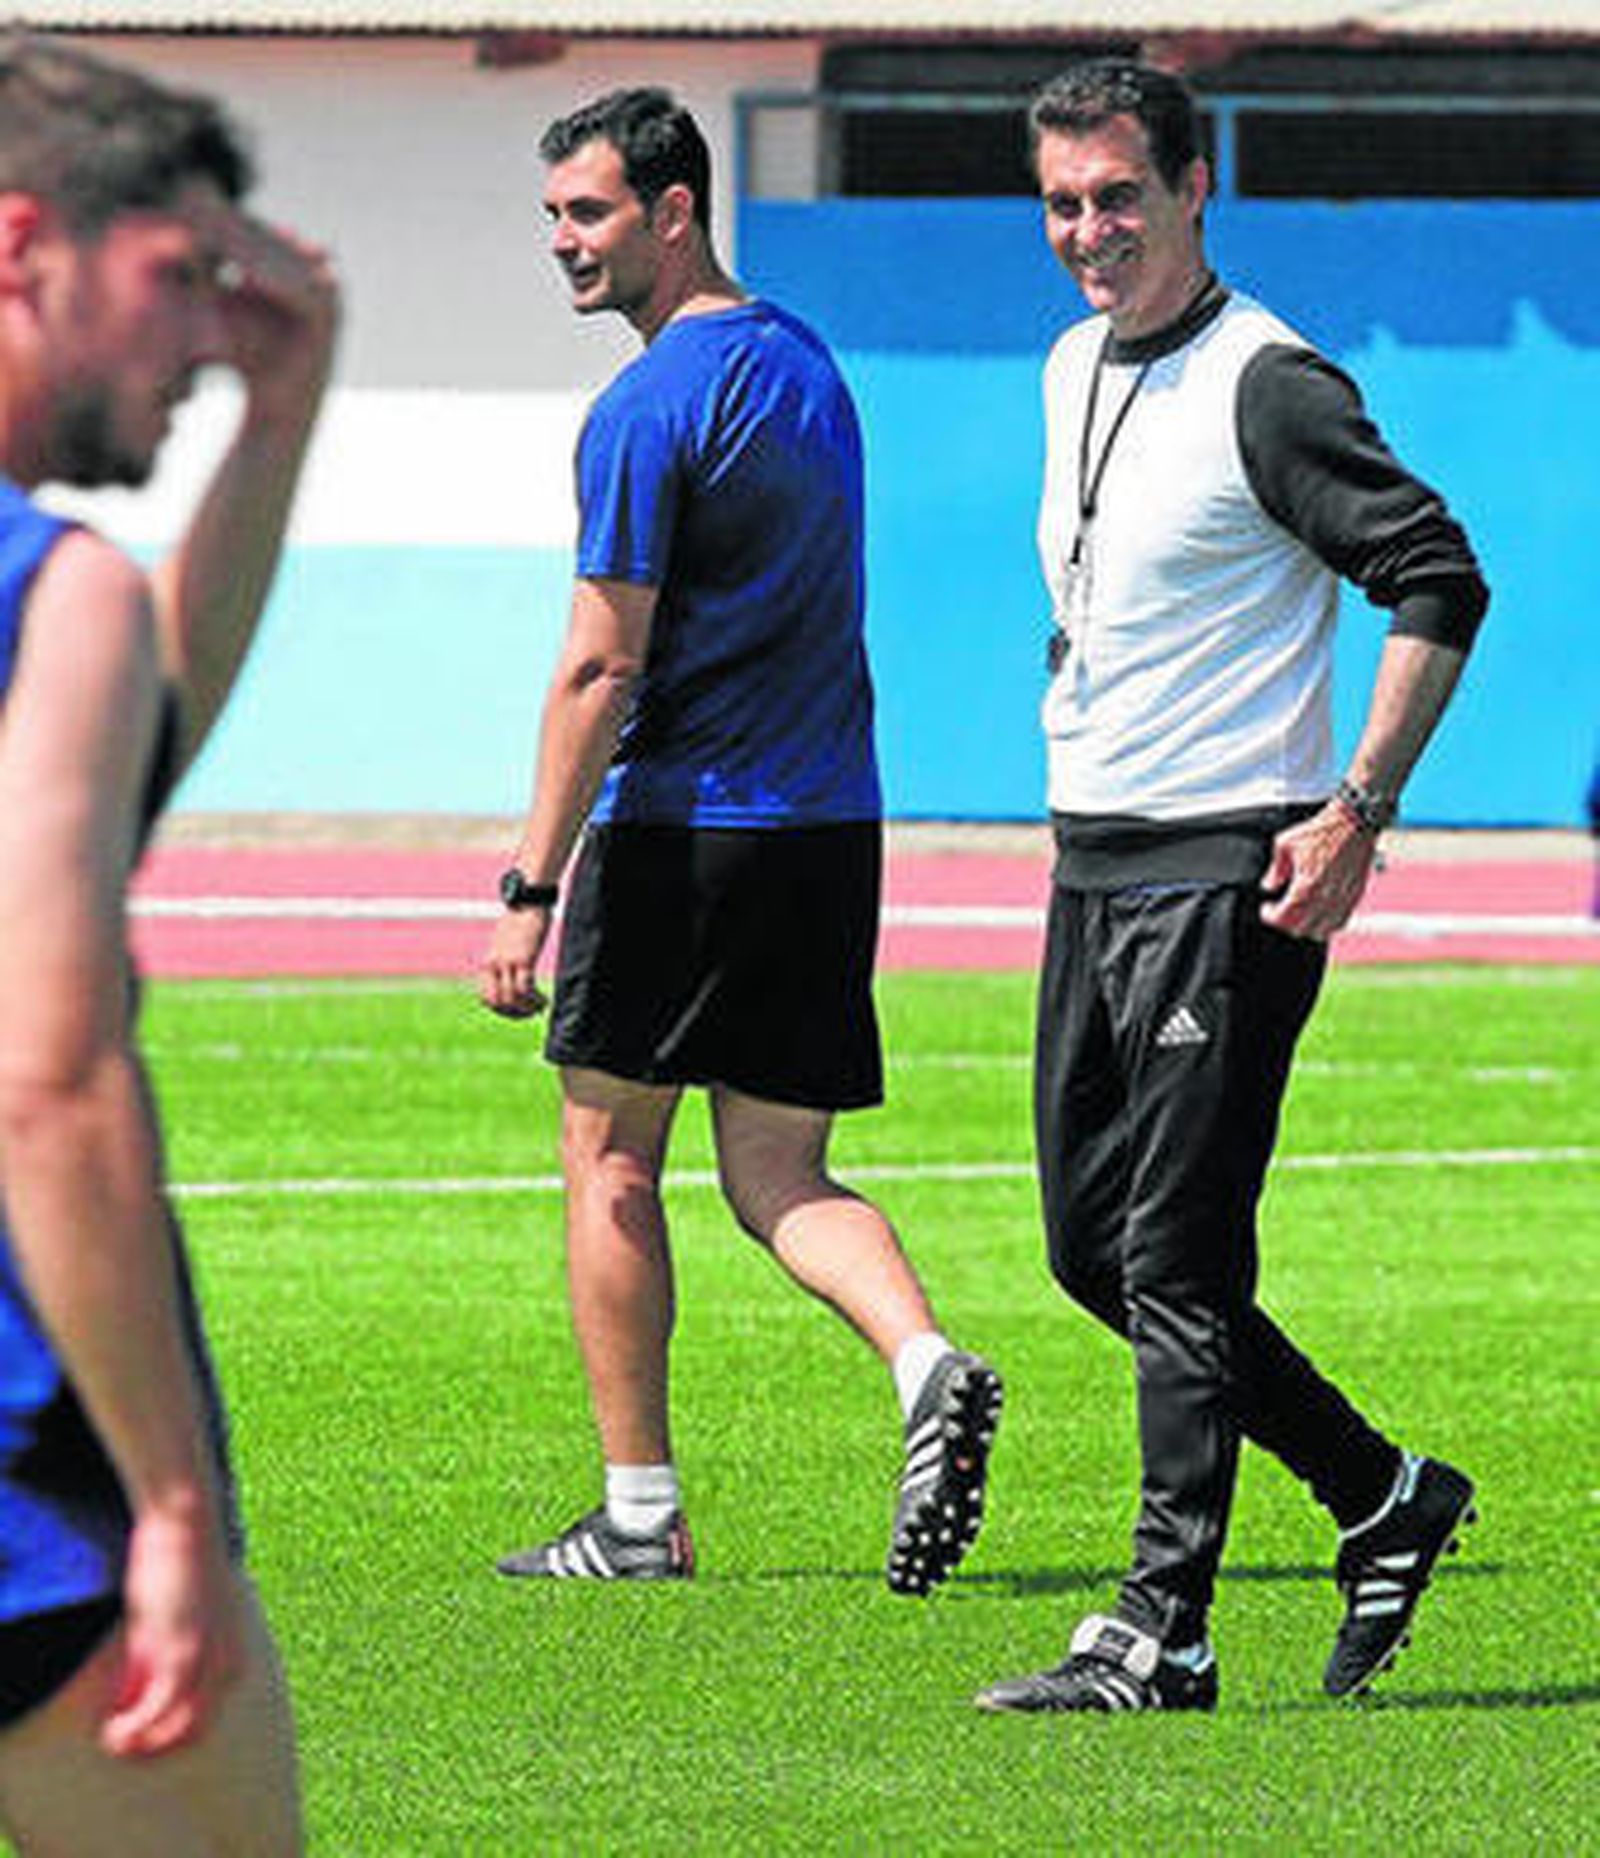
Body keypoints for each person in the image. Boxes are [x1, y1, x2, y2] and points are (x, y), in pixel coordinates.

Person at [975, 59, 1487, 1715]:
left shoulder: (1274, 382)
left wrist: (1357, 810)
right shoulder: (1069, 362)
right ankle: (1379, 1491)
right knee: (1090, 1247)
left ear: (1198, 187)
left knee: (1180, 1253)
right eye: (1063, 202)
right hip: (1094, 860)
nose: (1089, 230)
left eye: (1119, 195)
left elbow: (1437, 574)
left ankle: (1161, 1625)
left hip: (1230, 868)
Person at [478, 87, 1001, 1594]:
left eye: (587, 214)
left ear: (674, 209)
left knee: (611, 1160)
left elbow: (600, 662)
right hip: (829, 830)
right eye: (554, 218)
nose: (564, 244)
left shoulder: (646, 407)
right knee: (780, 1172)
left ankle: (638, 1513)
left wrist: (530, 883)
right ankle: (923, 1363)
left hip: (684, 835)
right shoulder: (809, 368)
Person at [0, 36, 337, 1852]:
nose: (207, 337)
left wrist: (272, 428)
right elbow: (44, 1079)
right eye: (175, 279)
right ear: (23, 246)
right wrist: (173, 1505)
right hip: (29, 1498)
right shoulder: (53, 589)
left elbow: (100, 766)